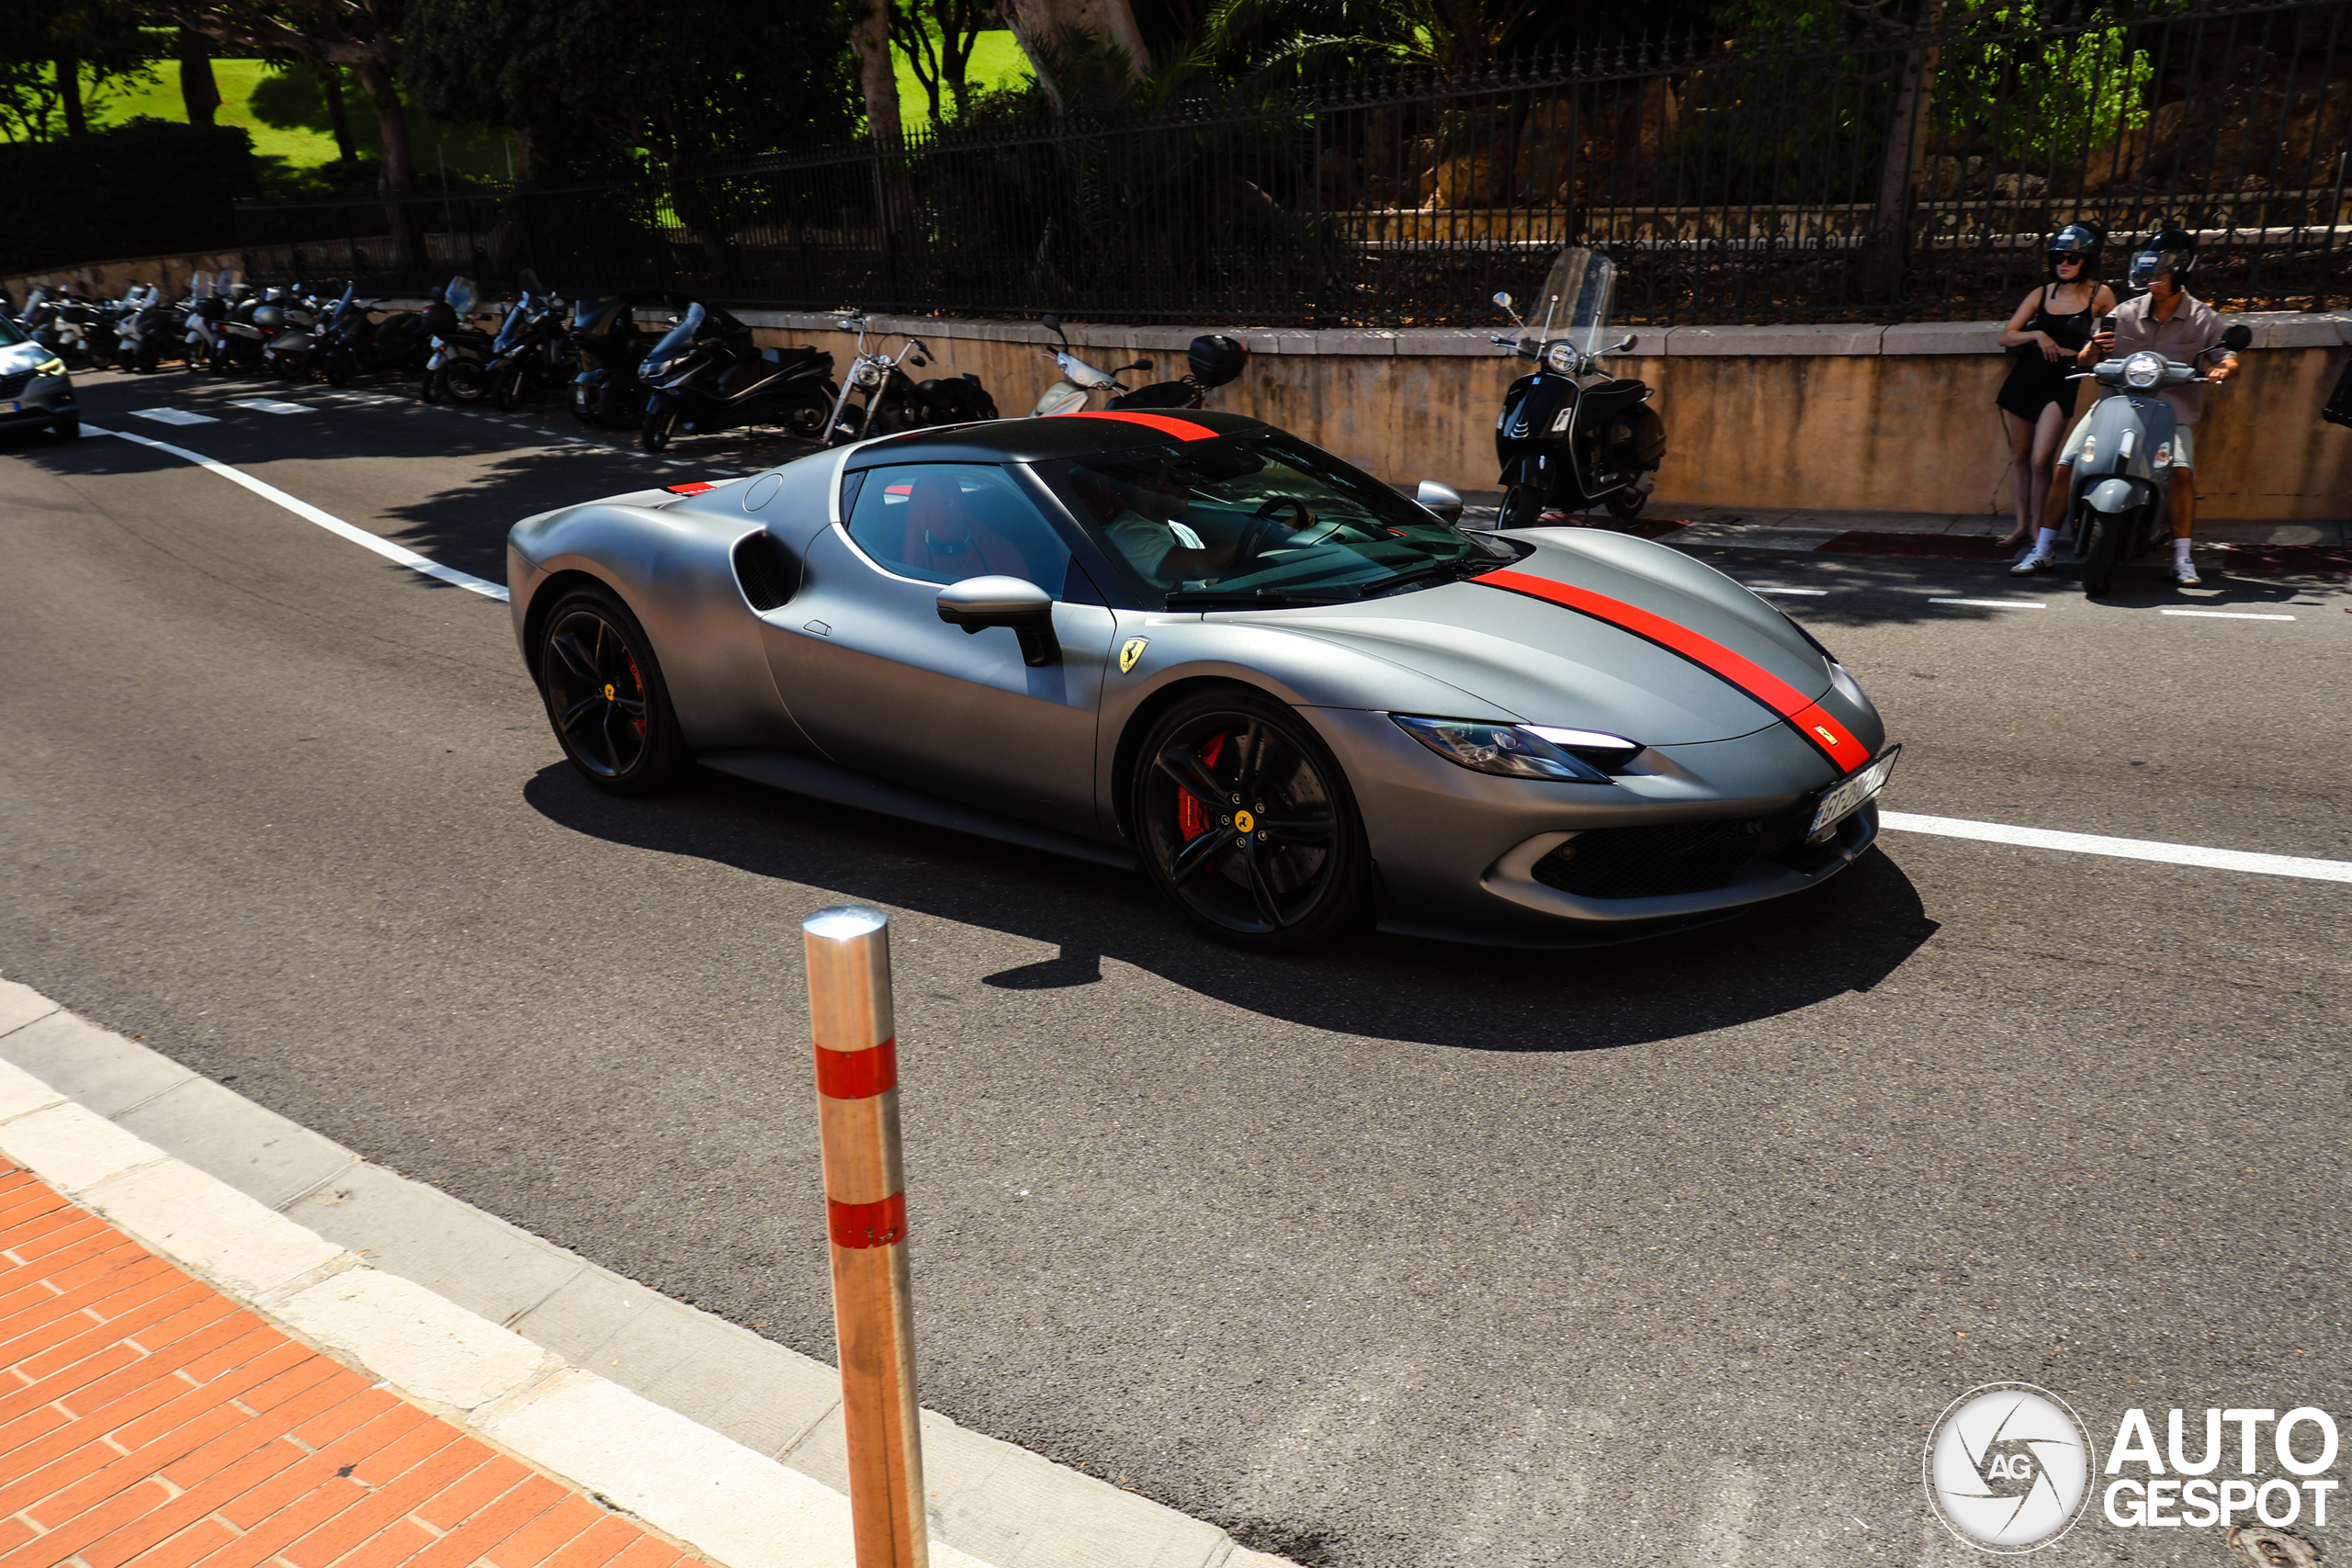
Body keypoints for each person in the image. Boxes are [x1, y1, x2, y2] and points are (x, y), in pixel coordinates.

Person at [2013, 225, 2239, 587]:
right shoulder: (2126, 311)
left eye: (2162, 271)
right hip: (2114, 403)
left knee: (2182, 471)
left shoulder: (2203, 318)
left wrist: (2221, 369)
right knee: (2066, 464)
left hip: (2171, 412)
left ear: (2180, 272)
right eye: (2150, 270)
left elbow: (2226, 356)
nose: (2153, 278)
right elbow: (2089, 358)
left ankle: (2182, 558)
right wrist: (2091, 350)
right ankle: (2043, 548)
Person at [1994, 224, 2113, 553]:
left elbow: (2115, 334)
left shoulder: (2099, 294)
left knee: (2041, 459)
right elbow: (2006, 335)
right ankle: (2021, 526)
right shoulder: (2042, 294)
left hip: (2064, 378)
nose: (2065, 263)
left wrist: (2089, 350)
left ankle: (2039, 528)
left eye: (2072, 258)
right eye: (2059, 257)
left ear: (2086, 261)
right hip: (2028, 375)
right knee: (2019, 457)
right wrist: (2037, 335)